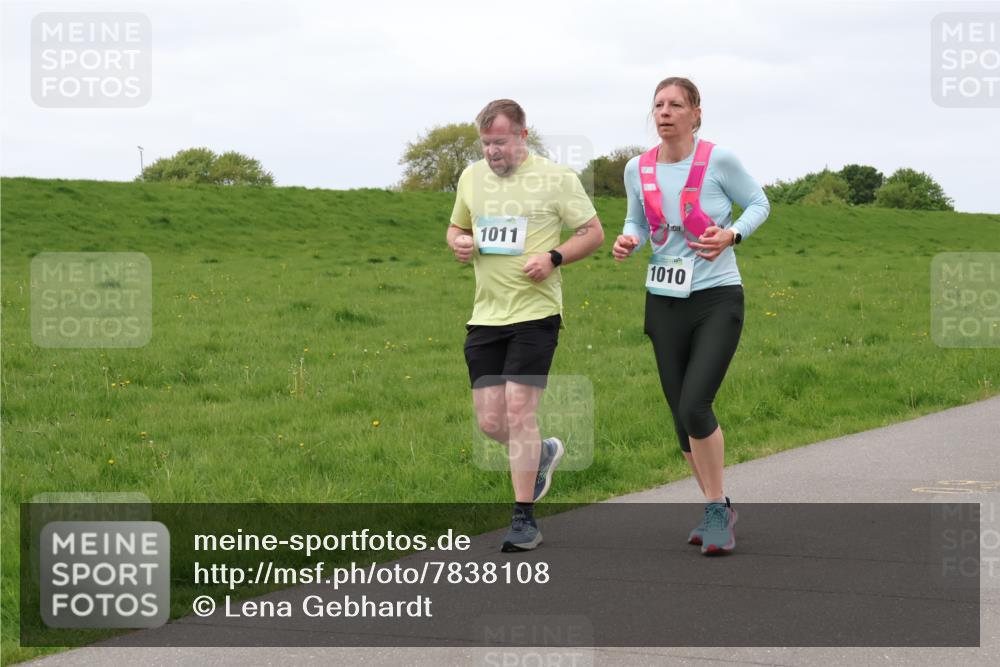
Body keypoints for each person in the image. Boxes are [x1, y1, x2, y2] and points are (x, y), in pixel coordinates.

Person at [612, 77, 769, 555]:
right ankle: (715, 504)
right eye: (658, 104)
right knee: (680, 416)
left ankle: (717, 510)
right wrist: (630, 238)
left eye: (676, 105)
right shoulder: (637, 168)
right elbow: (638, 220)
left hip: (717, 297)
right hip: (664, 300)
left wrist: (732, 235)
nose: (665, 112)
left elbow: (759, 203)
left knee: (695, 405)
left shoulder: (719, 160)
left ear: (696, 113)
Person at [448, 99, 604, 552]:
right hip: (485, 316)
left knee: (519, 411)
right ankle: (544, 452)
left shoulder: (556, 178)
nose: (491, 151)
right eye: (485, 144)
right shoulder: (471, 177)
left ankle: (523, 519)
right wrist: (459, 242)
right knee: (490, 422)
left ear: (522, 134)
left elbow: (593, 232)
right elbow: (455, 228)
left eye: (499, 141)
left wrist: (554, 257)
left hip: (536, 314)